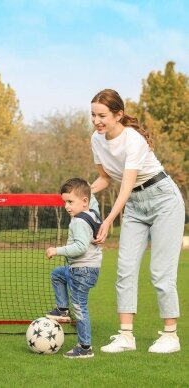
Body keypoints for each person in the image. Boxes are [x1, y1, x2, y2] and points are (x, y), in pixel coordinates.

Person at [90, 89, 185, 354]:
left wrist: (108, 220)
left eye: (102, 115)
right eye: (93, 115)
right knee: (125, 269)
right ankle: (126, 336)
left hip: (163, 200)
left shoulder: (133, 140)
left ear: (118, 115)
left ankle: (170, 335)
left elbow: (125, 186)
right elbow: (106, 178)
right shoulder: (96, 140)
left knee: (160, 272)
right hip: (134, 204)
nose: (97, 121)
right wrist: (82, 192)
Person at [45, 178, 102, 359]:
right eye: (65, 202)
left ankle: (85, 347)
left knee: (79, 308)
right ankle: (62, 309)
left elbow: (80, 247)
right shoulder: (92, 213)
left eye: (70, 202)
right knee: (57, 274)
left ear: (84, 201)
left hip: (82, 271)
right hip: (85, 269)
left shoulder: (78, 221)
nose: (67, 207)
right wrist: (85, 187)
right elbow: (93, 200)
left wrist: (57, 250)